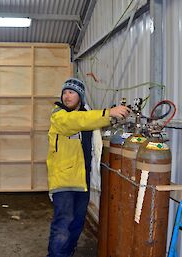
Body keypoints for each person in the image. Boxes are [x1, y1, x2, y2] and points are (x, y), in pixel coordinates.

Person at [46, 78, 130, 257]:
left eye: (72, 92)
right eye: (65, 92)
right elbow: (78, 121)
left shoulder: (87, 114)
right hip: (64, 178)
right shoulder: (59, 115)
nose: (67, 96)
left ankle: (67, 253)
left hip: (82, 178)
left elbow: (91, 127)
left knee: (77, 223)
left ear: (80, 97)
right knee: (62, 224)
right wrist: (109, 112)